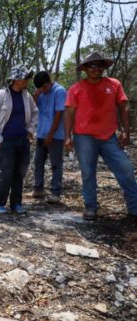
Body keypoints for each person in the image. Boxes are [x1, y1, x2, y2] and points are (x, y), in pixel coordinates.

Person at [64, 52, 137, 221]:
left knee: (125, 168)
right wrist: (67, 136)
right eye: (92, 66)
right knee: (88, 172)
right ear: (85, 69)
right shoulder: (76, 89)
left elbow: (123, 107)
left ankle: (134, 208)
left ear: (104, 68)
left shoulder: (114, 84)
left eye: (99, 65)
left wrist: (126, 131)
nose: (96, 69)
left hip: (109, 136)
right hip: (84, 137)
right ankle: (91, 207)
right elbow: (69, 112)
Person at [0, 65, 38, 214]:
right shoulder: (0, 95)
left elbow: (35, 113)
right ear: (17, 79)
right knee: (5, 173)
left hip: (22, 140)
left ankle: (16, 204)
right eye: (25, 77)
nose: (28, 80)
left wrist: (30, 131)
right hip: (5, 141)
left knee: (19, 173)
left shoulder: (26, 96)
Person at [32, 71, 67, 204]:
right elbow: (32, 108)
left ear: (50, 82)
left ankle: (55, 192)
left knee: (56, 164)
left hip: (55, 135)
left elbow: (59, 115)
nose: (44, 90)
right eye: (41, 88)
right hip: (41, 133)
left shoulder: (59, 91)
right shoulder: (40, 93)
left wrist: (51, 135)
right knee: (38, 161)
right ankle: (38, 188)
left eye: (46, 87)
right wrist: (36, 94)